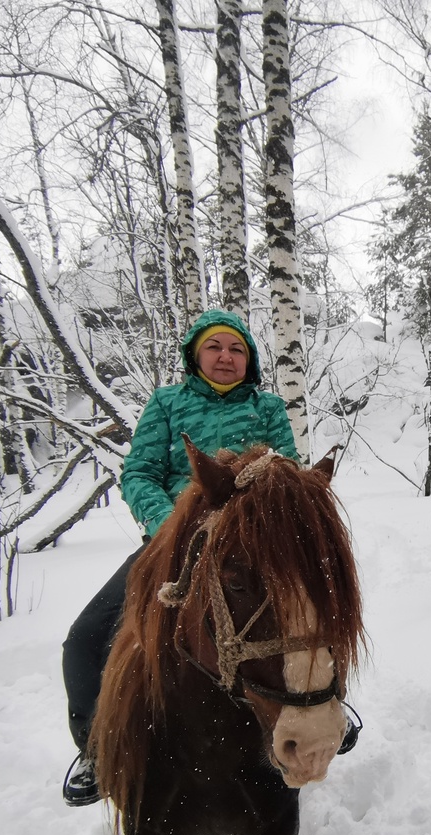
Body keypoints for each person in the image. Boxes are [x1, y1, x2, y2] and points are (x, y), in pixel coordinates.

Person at [61, 308, 300, 806]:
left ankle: (322, 712)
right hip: (174, 540)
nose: (226, 356)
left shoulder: (268, 408)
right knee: (86, 640)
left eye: (237, 349)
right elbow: (140, 472)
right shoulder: (167, 403)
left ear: (249, 360)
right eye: (215, 347)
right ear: (196, 355)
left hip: (251, 547)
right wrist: (169, 525)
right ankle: (94, 750)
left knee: (304, 616)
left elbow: (287, 475)